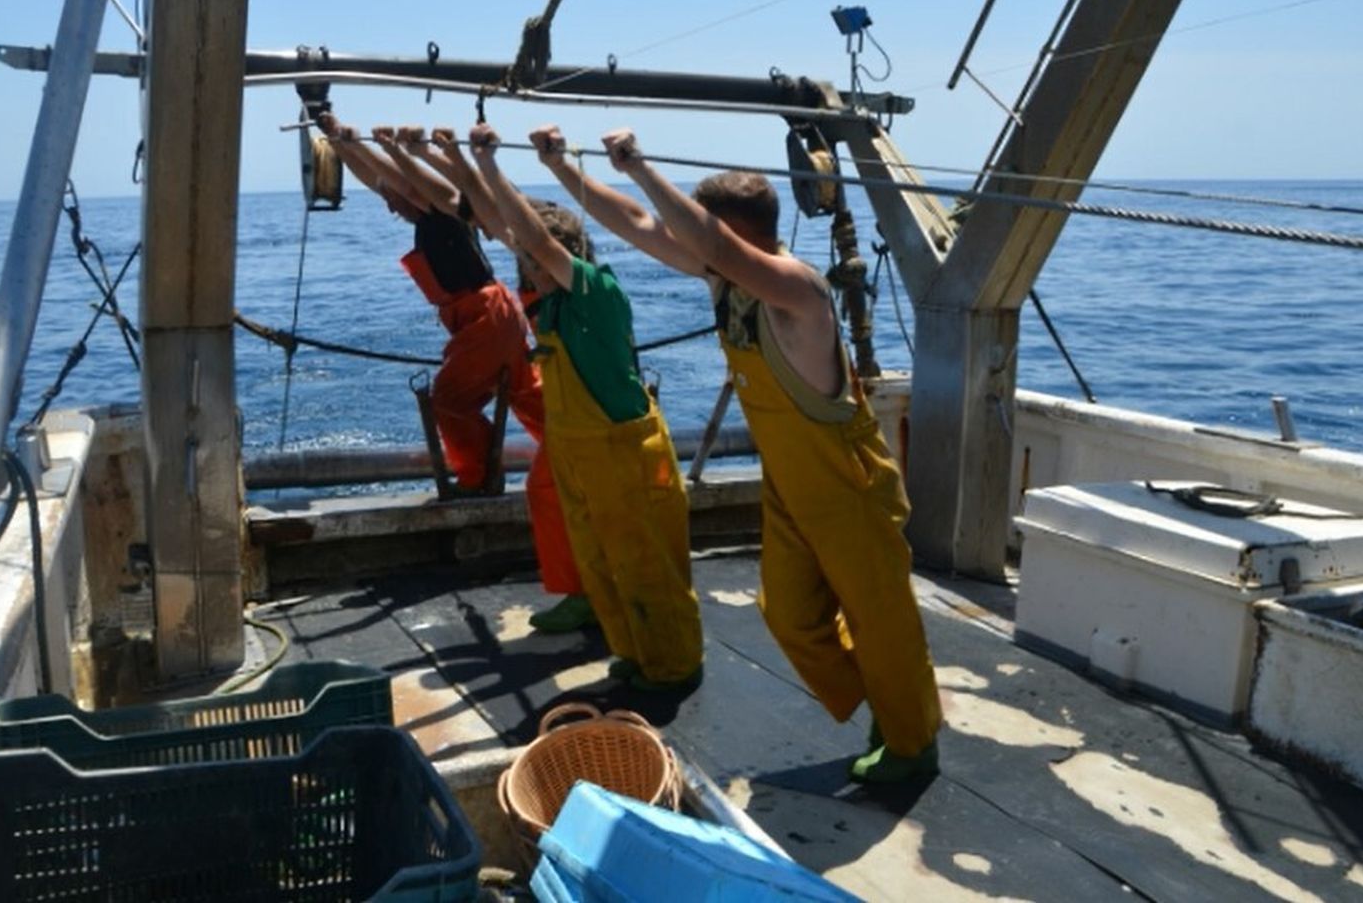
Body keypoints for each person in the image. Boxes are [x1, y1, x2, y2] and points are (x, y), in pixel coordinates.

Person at [535, 122, 941, 782]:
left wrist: (641, 165)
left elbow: (702, 236)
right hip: (788, 484)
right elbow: (640, 222)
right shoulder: (725, 280)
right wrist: (563, 170)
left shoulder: (798, 290)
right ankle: (887, 702)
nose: (686, 244)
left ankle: (912, 744)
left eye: (702, 231)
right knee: (788, 616)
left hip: (846, 484)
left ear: (738, 233)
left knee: (883, 621)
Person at [439, 122, 703, 691]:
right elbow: (506, 230)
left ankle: (676, 666)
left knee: (647, 568)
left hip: (626, 453)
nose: (526, 272)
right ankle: (633, 652)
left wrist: (489, 166)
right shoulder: (550, 304)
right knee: (604, 565)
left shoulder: (595, 292)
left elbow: (532, 239)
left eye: (534, 264)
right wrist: (464, 163)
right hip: (585, 455)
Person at [317, 113, 592, 634]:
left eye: (395, 196)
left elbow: (399, 179)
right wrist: (342, 140)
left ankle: (479, 476)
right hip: (494, 311)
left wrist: (393, 150)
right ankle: (572, 447)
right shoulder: (423, 213)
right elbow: (376, 177)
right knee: (529, 395)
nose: (389, 204)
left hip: (484, 314)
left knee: (450, 399)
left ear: (411, 192)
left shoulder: (438, 208)